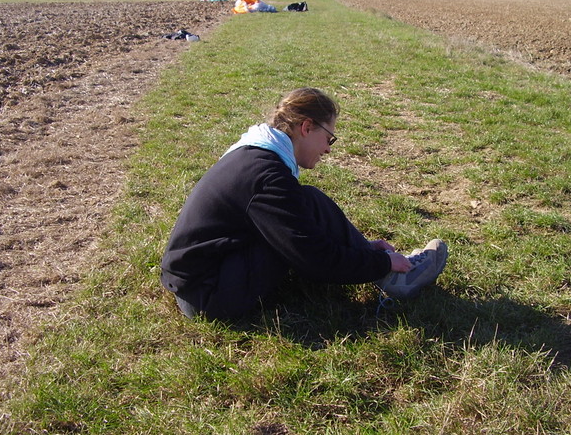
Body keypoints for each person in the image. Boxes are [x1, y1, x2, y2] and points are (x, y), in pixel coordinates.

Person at [160, 87, 447, 320]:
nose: (327, 149)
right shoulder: (267, 176)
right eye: (329, 138)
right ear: (307, 127)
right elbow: (315, 259)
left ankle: (385, 270)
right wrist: (381, 261)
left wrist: (361, 249)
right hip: (207, 296)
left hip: (199, 280)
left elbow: (297, 224)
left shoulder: (257, 154)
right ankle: (395, 276)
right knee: (303, 236)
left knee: (307, 200)